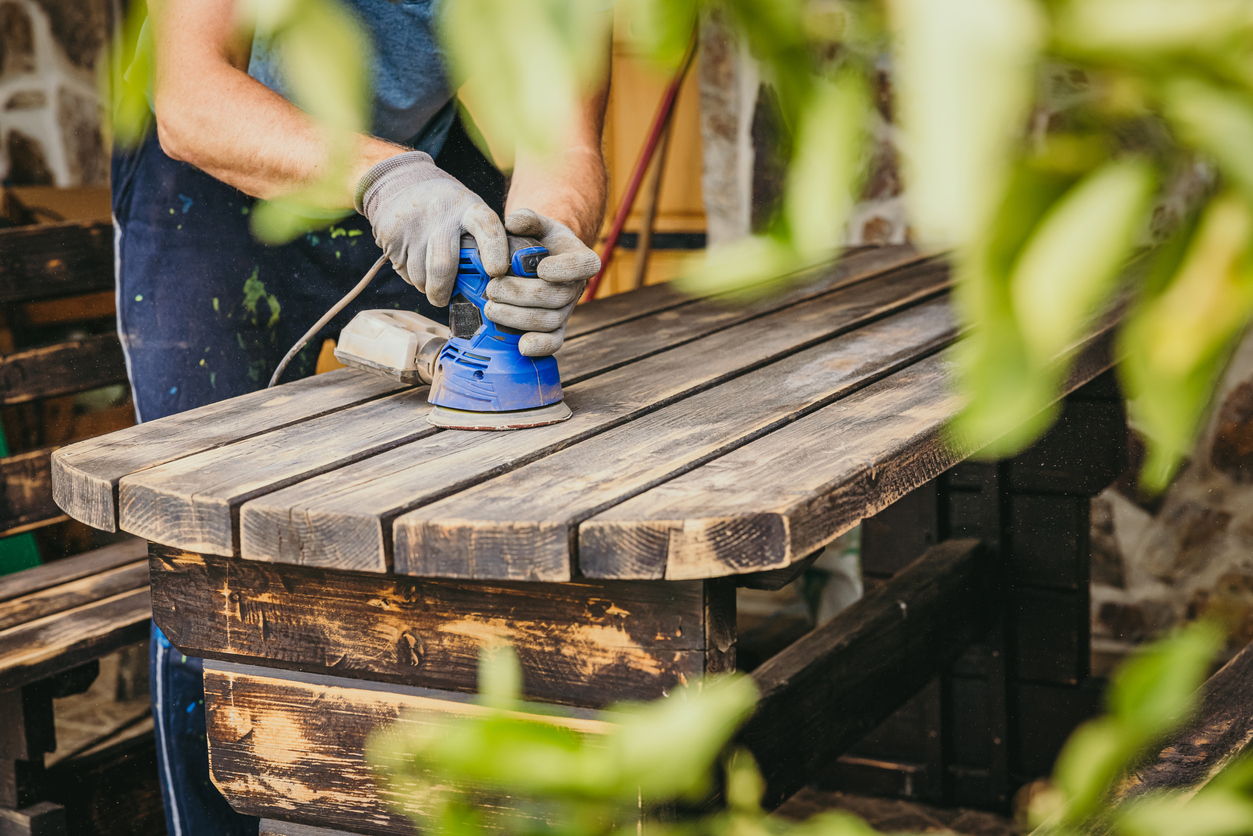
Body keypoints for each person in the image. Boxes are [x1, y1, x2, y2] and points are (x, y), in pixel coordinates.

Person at [113, 0, 609, 831]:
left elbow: (564, 136)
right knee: (209, 559)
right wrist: (381, 176)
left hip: (422, 163)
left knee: (468, 512)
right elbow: (191, 92)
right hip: (213, 167)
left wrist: (552, 233)